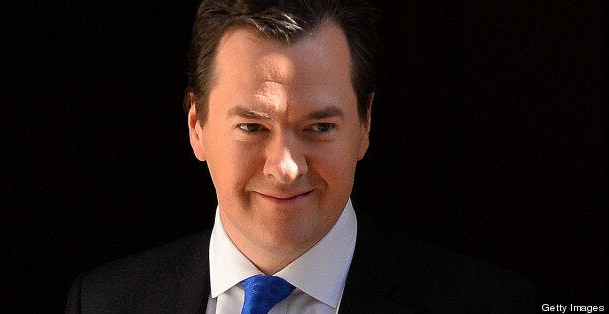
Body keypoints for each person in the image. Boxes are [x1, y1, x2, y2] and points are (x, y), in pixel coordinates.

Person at [66, 0, 535, 313]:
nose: (286, 168)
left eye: (320, 127)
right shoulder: (103, 302)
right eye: (252, 126)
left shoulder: (488, 303)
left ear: (365, 125)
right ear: (197, 128)